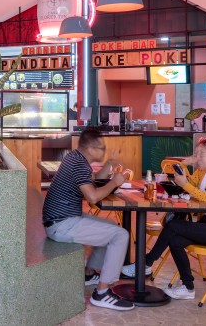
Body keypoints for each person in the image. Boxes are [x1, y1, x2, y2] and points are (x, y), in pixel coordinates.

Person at [121, 136, 206, 300]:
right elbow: (186, 185)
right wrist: (185, 163)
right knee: (175, 240)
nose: (197, 158)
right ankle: (188, 287)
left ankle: (146, 263)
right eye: (196, 154)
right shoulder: (203, 173)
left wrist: (185, 185)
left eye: (201, 154)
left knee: (174, 226)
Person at [42, 129, 135, 312]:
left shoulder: (74, 157)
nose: (104, 151)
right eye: (102, 148)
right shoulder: (79, 165)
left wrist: (108, 165)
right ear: (91, 149)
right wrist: (114, 183)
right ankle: (102, 293)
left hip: (60, 219)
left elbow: (90, 182)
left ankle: (88, 273)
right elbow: (92, 197)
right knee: (120, 235)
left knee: (110, 227)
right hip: (61, 224)